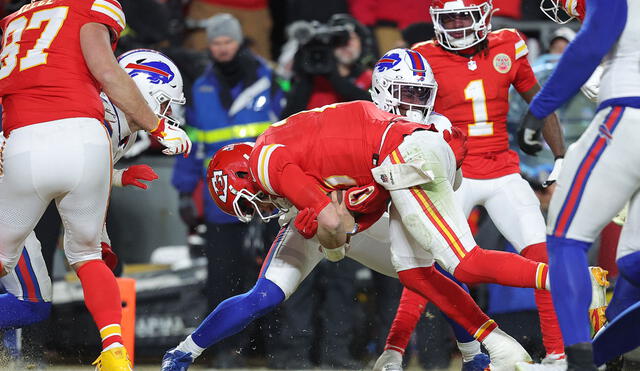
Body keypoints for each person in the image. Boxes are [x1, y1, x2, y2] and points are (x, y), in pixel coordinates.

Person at [157, 48, 604, 371]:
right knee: (418, 271)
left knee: (459, 264)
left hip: (408, 157)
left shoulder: (269, 162)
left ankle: (564, 289)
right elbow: (349, 206)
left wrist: (333, 237)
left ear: (247, 178)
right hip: (394, 165)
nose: (263, 209)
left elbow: (335, 223)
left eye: (252, 201)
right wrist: (335, 227)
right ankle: (183, 353)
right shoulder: (292, 158)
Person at [371, 1, 583, 369]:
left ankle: (557, 356)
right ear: (435, 20)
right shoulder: (422, 56)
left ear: (484, 15)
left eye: (463, 16)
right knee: (423, 265)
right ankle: (395, 351)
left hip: (502, 169)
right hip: (452, 173)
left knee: (540, 257)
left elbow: (541, 101)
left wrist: (561, 156)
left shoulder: (509, 44)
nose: (456, 25)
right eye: (448, 18)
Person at [0, 1, 191, 369]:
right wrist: (158, 126)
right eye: (164, 103)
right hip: (69, 138)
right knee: (85, 259)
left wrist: (118, 175)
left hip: (26, 145)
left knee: (28, 294)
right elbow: (105, 70)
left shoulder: (19, 19)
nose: (168, 111)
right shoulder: (91, 15)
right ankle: (114, 349)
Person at [519, 0, 636, 368]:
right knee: (633, 260)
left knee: (565, 238)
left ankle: (577, 359)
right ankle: (624, 356)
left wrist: (539, 110)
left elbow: (591, 43)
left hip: (628, 114)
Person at [170, 12, 283, 368]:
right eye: (216, 42)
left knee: (276, 276)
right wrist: (185, 191)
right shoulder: (201, 87)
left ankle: (278, 350)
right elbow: (193, 143)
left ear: (239, 42)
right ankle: (225, 352)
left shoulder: (271, 80)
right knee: (222, 276)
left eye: (227, 41)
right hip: (222, 198)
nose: (221, 48)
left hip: (271, 194)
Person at [281, 13, 374, 117]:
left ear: (362, 43)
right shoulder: (313, 82)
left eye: (350, 38)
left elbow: (373, 111)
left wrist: (334, 77)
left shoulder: (371, 79)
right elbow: (287, 119)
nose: (346, 44)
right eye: (339, 40)